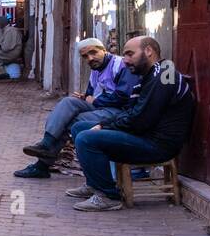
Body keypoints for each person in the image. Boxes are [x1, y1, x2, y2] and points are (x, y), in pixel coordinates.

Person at [65, 36, 195, 212]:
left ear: (148, 51)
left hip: (157, 144)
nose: (125, 60)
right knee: (80, 127)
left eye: (129, 54)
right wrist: (106, 123)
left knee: (87, 139)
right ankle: (94, 184)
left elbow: (141, 119)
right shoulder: (150, 76)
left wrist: (105, 126)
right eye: (124, 55)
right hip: (144, 135)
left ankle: (108, 196)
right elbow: (132, 112)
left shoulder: (165, 74)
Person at [14, 37, 136, 178]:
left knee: (72, 121)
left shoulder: (120, 65)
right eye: (85, 56)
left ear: (104, 50)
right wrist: (84, 97)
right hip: (101, 107)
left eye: (93, 52)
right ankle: (46, 143)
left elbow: (123, 97)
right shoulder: (96, 69)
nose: (90, 58)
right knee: (68, 102)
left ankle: (42, 165)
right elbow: (91, 93)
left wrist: (95, 101)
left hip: (119, 111)